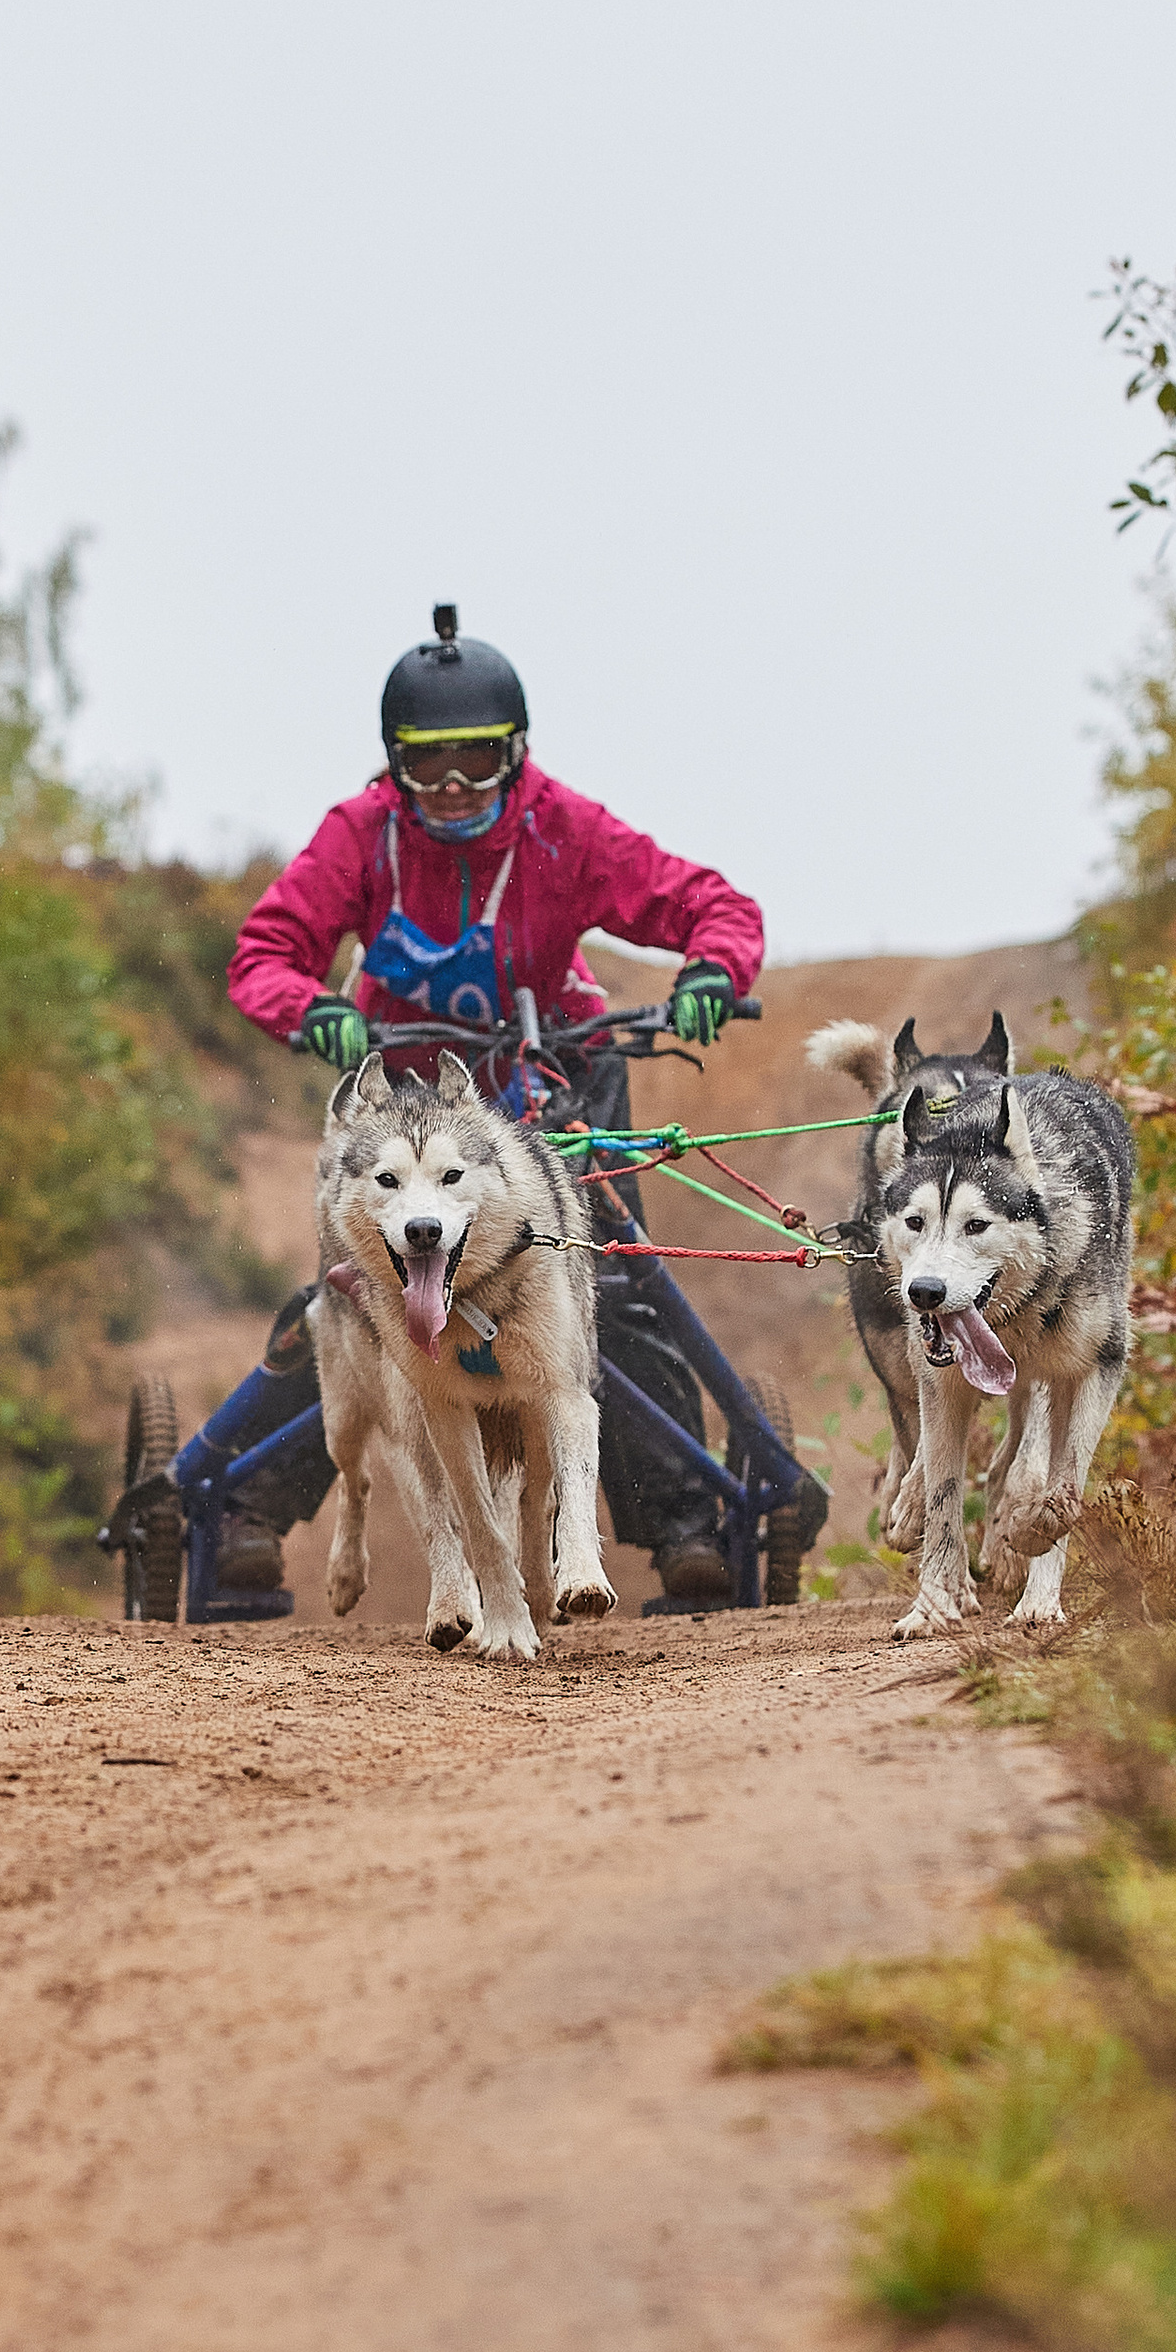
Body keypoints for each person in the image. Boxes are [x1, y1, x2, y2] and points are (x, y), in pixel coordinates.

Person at [216, 605, 765, 1603]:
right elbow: (263, 954)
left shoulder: (561, 828)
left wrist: (710, 971)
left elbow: (713, 908)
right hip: (402, 1101)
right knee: (351, 1296)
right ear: (394, 767)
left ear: (516, 755)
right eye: (428, 768)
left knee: (614, 1289)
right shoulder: (362, 835)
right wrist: (314, 1011)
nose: (455, 788)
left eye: (476, 762)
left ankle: (685, 1524)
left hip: (555, 1075)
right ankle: (246, 1514)